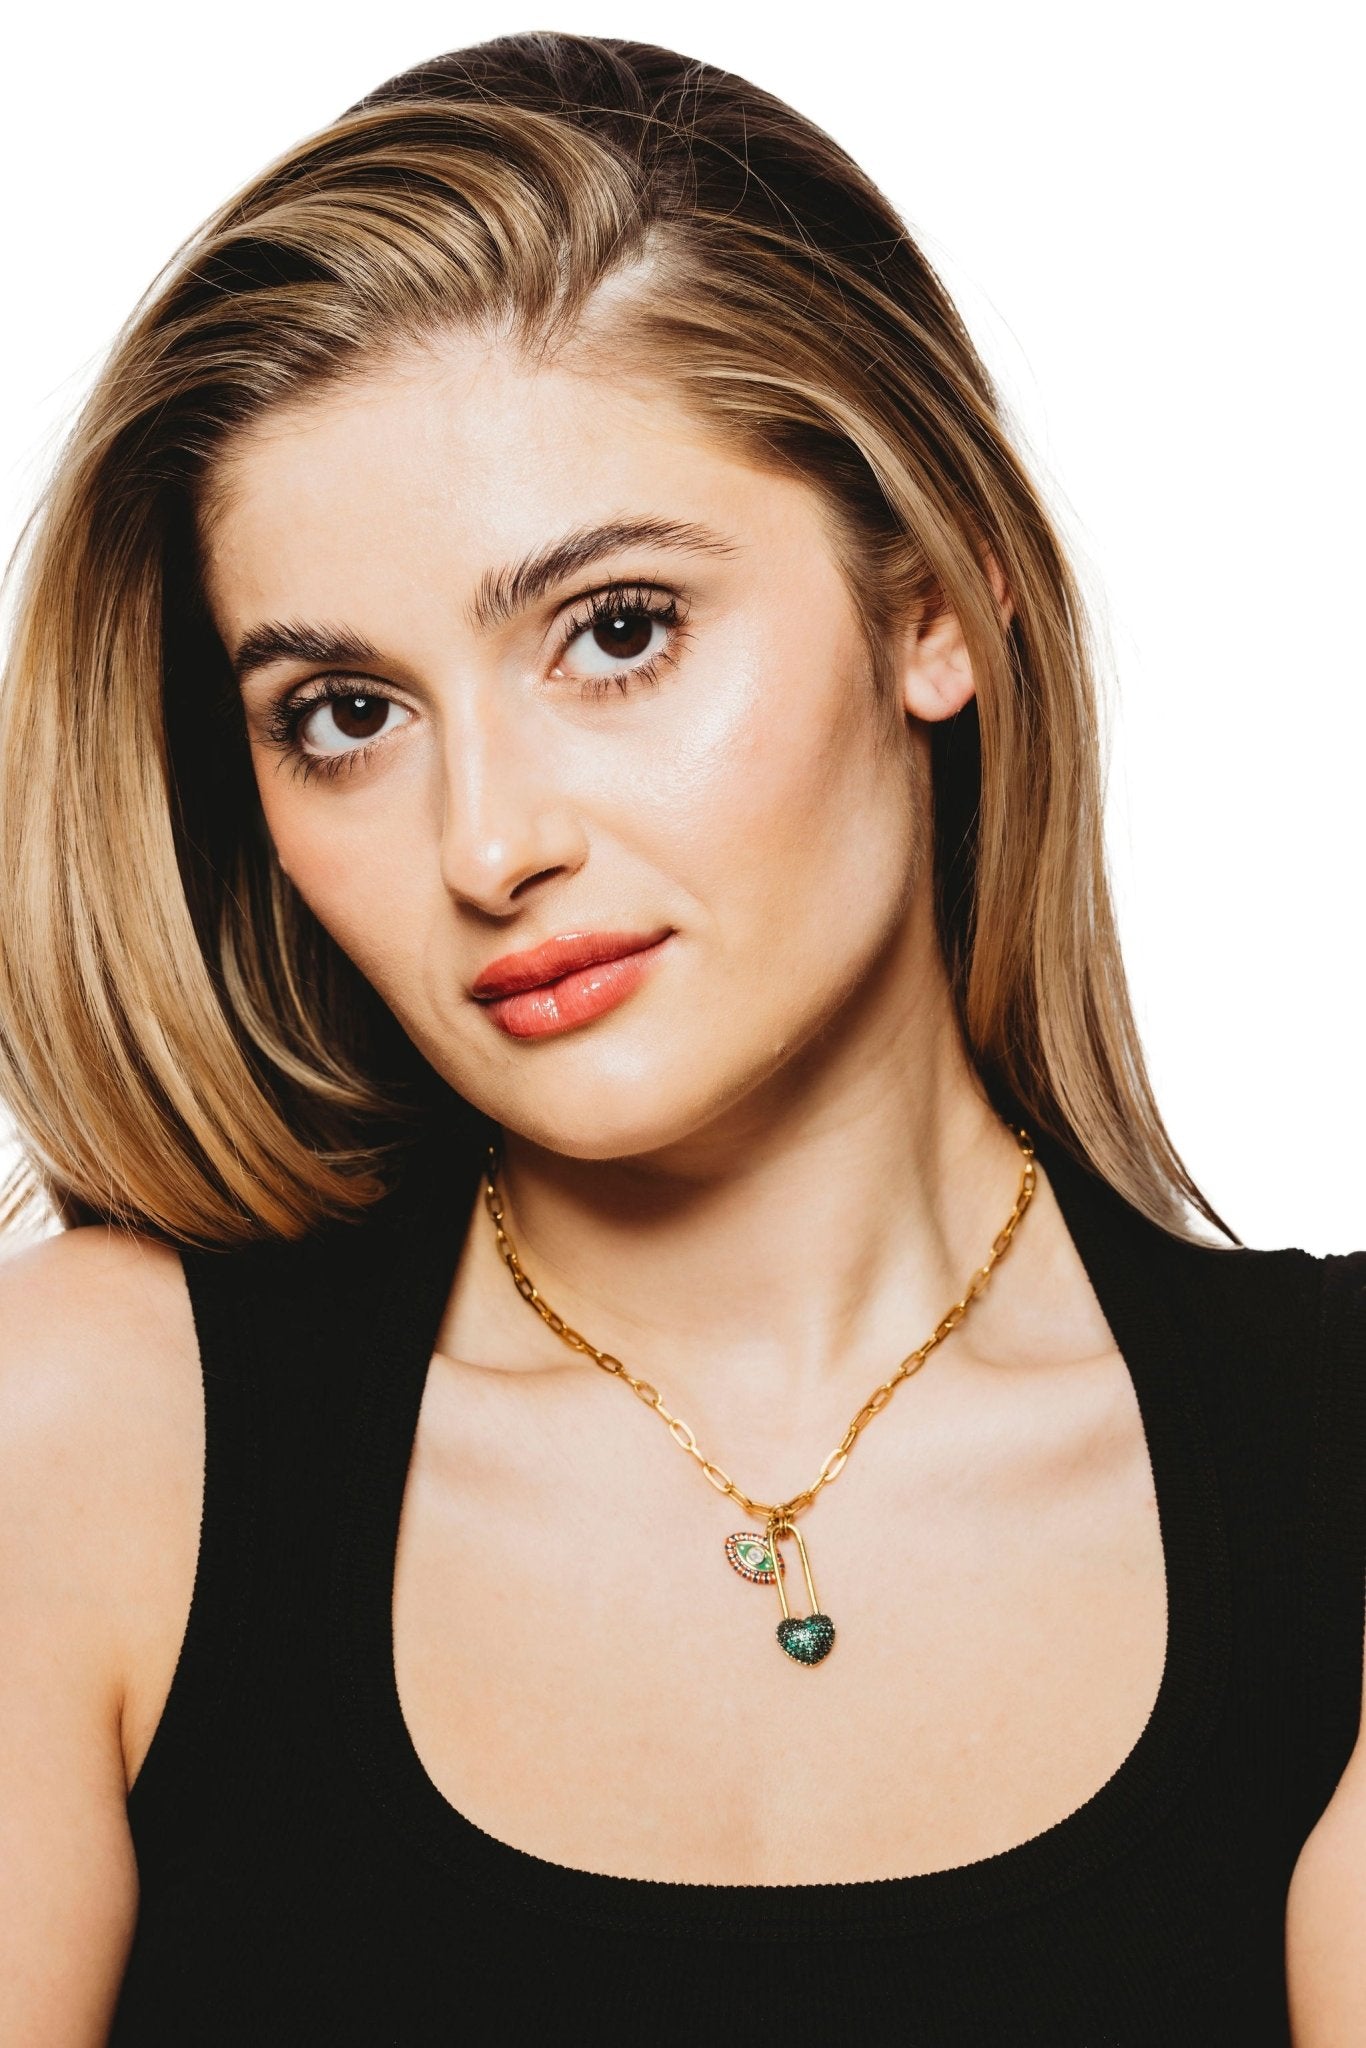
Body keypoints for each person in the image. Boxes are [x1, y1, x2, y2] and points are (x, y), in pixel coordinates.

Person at [0, 29, 1360, 2045]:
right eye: (345, 715)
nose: (487, 845)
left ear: (935, 601)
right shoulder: (88, 1438)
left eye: (616, 630)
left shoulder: (1328, 1470)